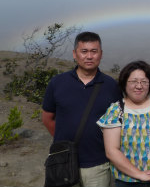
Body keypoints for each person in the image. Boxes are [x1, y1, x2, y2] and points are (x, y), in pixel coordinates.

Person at [42, 31, 122, 187]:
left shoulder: (111, 86)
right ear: (74, 54)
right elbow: (47, 118)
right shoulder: (57, 83)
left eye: (94, 51)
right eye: (84, 51)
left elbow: (118, 123)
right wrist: (65, 143)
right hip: (63, 161)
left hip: (98, 164)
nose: (89, 56)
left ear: (101, 54)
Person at [97, 60, 150, 186]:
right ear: (124, 83)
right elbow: (112, 150)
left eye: (144, 82)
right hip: (128, 181)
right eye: (133, 81)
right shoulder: (116, 111)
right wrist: (140, 175)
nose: (139, 86)